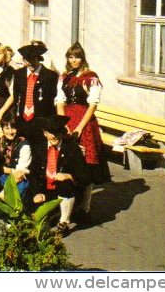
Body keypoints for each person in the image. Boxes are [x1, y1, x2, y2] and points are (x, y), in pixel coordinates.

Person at [57, 42, 109, 224]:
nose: (73, 60)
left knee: (86, 163)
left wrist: (79, 127)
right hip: (67, 121)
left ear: (82, 58)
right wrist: (63, 123)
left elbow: (93, 105)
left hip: (84, 122)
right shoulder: (64, 77)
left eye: (77, 57)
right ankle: (67, 203)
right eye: (71, 57)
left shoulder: (90, 77)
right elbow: (60, 101)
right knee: (66, 162)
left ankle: (85, 206)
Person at [29, 114, 89, 237]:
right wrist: (36, 192)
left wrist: (69, 176)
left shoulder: (71, 148)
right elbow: (33, 173)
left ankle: (64, 221)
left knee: (65, 185)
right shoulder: (38, 148)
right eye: (50, 132)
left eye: (57, 132)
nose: (54, 136)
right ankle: (51, 213)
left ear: (62, 133)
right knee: (33, 217)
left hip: (64, 191)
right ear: (44, 133)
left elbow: (85, 175)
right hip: (45, 189)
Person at [12, 43, 60, 145]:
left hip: (40, 122)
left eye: (34, 60)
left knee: (39, 153)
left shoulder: (50, 76)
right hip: (22, 121)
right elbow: (16, 98)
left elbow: (53, 102)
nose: (31, 63)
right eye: (28, 60)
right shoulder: (18, 74)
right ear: (24, 60)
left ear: (39, 58)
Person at [0, 114, 31, 200]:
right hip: (1, 175)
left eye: (13, 128)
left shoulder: (24, 145)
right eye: (7, 128)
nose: (10, 132)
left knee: (15, 194)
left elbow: (20, 173)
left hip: (18, 179)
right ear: (2, 129)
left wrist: (5, 191)